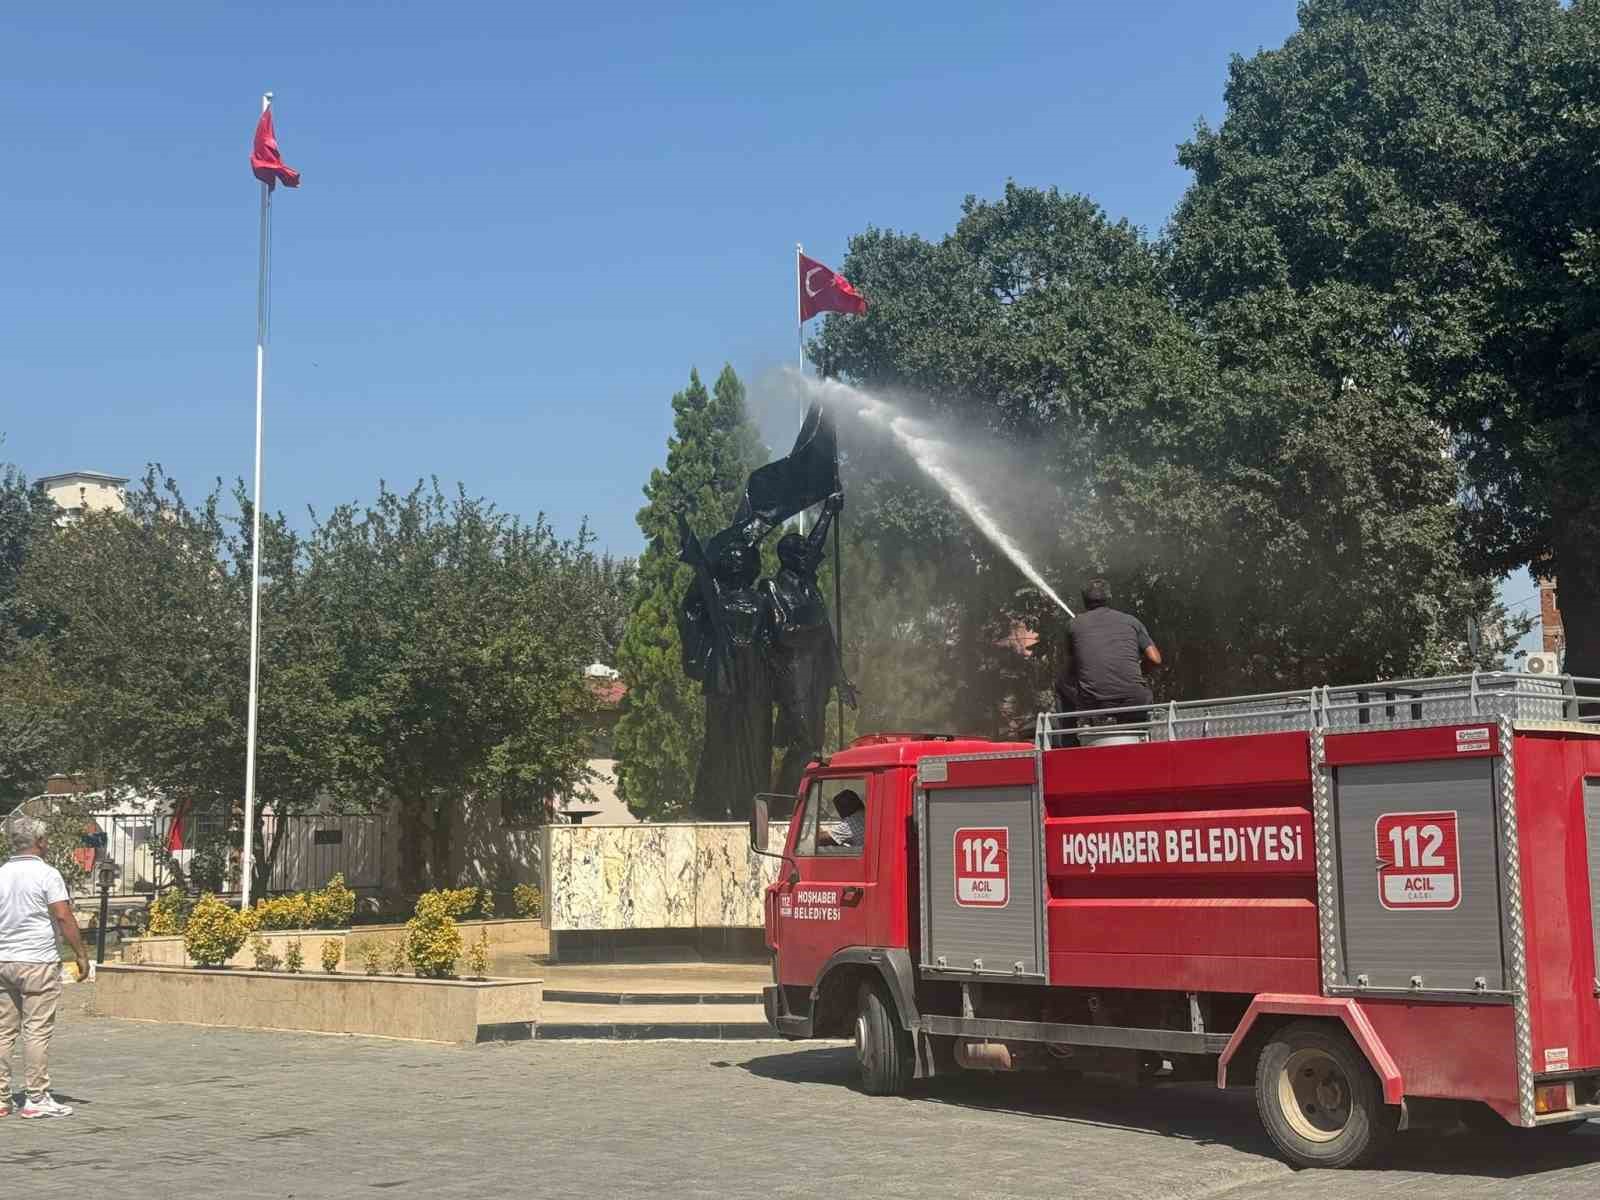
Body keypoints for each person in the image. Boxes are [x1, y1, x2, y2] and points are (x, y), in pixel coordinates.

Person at [761, 492, 857, 797]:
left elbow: (827, 638)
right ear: (788, 557)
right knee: (803, 742)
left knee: (814, 744)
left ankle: (797, 801)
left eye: (808, 552)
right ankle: (784, 802)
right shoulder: (772, 587)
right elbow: (782, 633)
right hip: (791, 677)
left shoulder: (811, 589)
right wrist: (812, 629)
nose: (810, 556)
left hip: (816, 677)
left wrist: (828, 511)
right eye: (802, 553)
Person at [0, 815, 89, 1120]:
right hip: (37, 959)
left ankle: (1, 1098)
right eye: (45, 839)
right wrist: (80, 954)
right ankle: (36, 1097)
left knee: (3, 1031)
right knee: (36, 1030)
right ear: (39, 842)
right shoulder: (47, 874)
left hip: (3, 959)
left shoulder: (1, 873)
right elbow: (63, 916)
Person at [1054, 578, 1162, 723]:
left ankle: (1070, 742)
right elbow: (1155, 659)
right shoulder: (1131, 621)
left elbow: (1073, 665)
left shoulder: (1074, 625)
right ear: (1109, 597)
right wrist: (1138, 671)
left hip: (1095, 703)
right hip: (1136, 700)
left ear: (1084, 600)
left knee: (1061, 683)